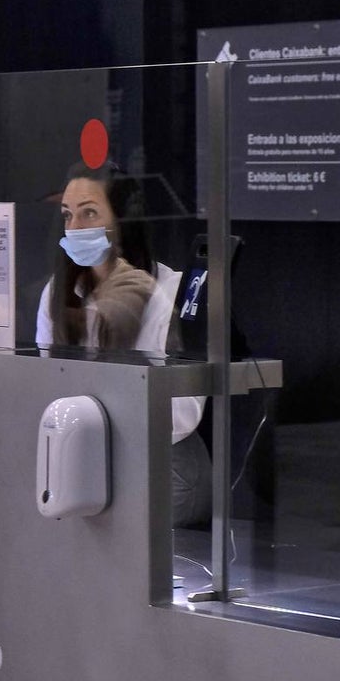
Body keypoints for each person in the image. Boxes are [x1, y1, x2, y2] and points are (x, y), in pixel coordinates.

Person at [35, 162, 211, 526]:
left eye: (89, 213)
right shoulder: (57, 292)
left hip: (161, 462)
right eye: (68, 215)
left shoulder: (169, 292)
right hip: (83, 455)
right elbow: (46, 386)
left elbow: (183, 410)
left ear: (122, 221)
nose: (75, 228)